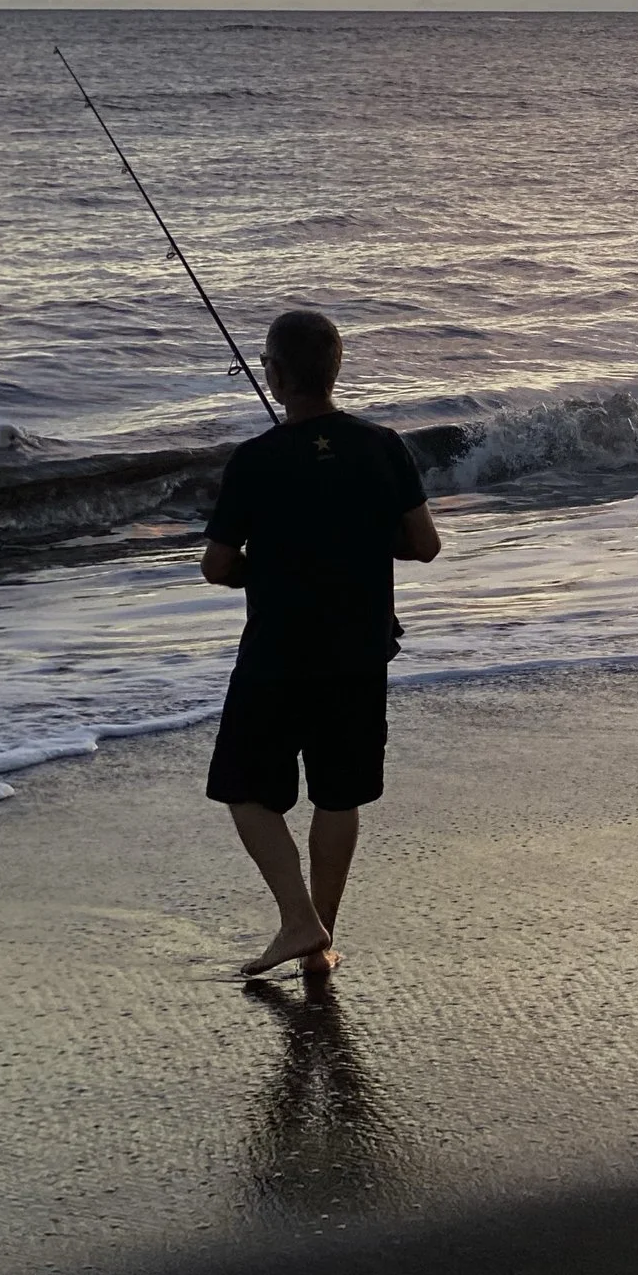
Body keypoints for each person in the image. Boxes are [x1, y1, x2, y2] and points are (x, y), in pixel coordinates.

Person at [201, 308, 441, 978]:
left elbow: (217, 565)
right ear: (336, 370)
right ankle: (320, 944)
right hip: (361, 650)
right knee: (340, 795)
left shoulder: (255, 460)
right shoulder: (383, 445)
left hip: (277, 651)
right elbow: (424, 543)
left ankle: (299, 920)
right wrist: (360, 548)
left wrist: (269, 570)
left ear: (275, 377)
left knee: (245, 791)